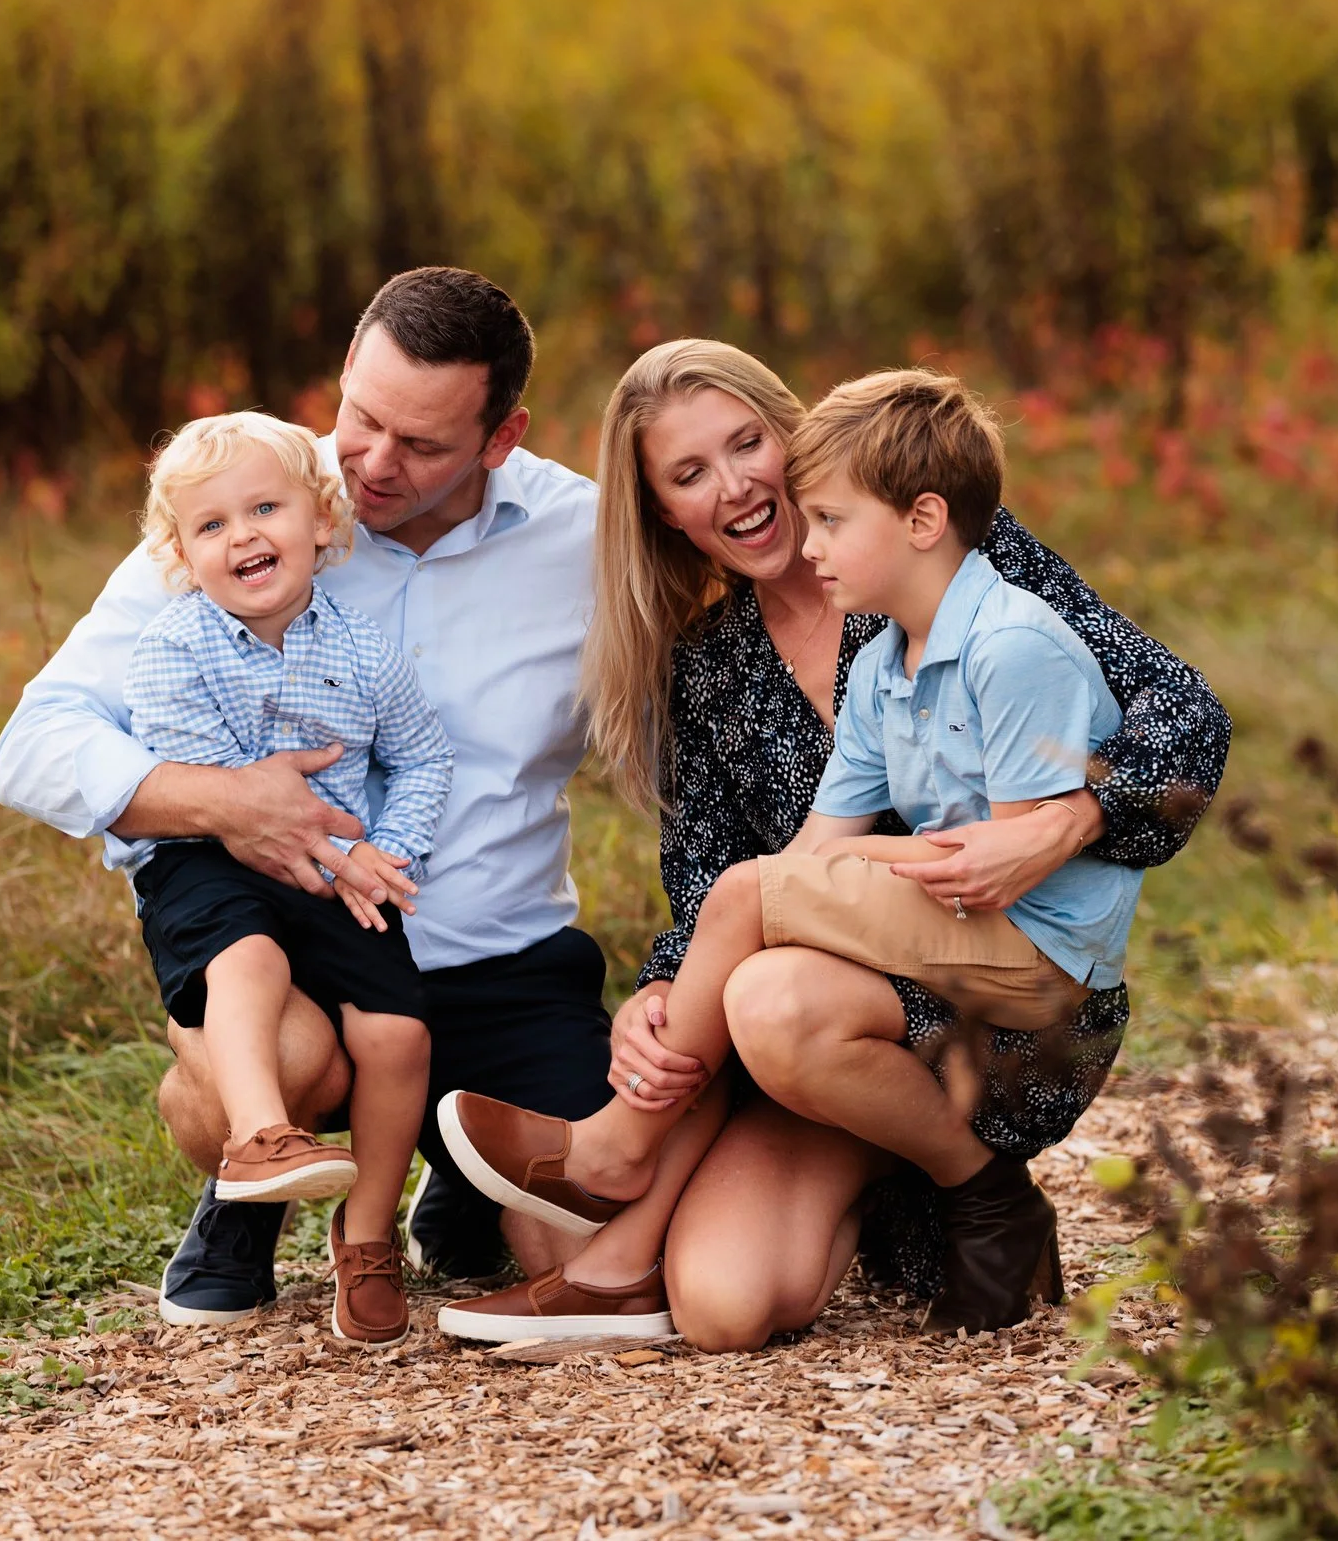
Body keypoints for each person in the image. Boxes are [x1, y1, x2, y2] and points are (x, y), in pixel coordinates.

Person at [432, 341, 1227, 1348]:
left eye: (747, 443)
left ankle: (640, 1164)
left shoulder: (939, 556)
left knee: (761, 981)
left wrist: (1073, 819)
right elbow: (717, 882)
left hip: (996, 1005)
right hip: (812, 1029)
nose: (735, 486)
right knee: (721, 1303)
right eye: (687, 474)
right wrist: (663, 997)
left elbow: (1186, 715)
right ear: (662, 514)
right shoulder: (710, 670)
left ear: (792, 435)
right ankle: (801, 1202)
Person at [0, 267, 638, 1326]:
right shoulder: (242, 512)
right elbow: (33, 744)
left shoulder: (588, 541)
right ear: (343, 371)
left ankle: (462, 1177)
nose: (373, 464)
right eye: (361, 417)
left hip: (500, 960)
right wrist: (221, 801)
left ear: (501, 436)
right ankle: (247, 1170)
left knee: (591, 1246)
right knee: (273, 1048)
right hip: (302, 964)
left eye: (422, 444)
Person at [121, 410, 451, 1347]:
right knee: (252, 959)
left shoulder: (364, 649)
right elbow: (227, 796)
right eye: (213, 526)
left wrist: (390, 851)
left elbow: (424, 758)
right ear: (183, 555)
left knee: (399, 1031)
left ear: (321, 524)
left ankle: (369, 1231)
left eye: (264, 507)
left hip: (340, 874)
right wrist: (337, 855)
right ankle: (260, 1135)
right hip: (211, 863)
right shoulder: (173, 649)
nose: (245, 536)